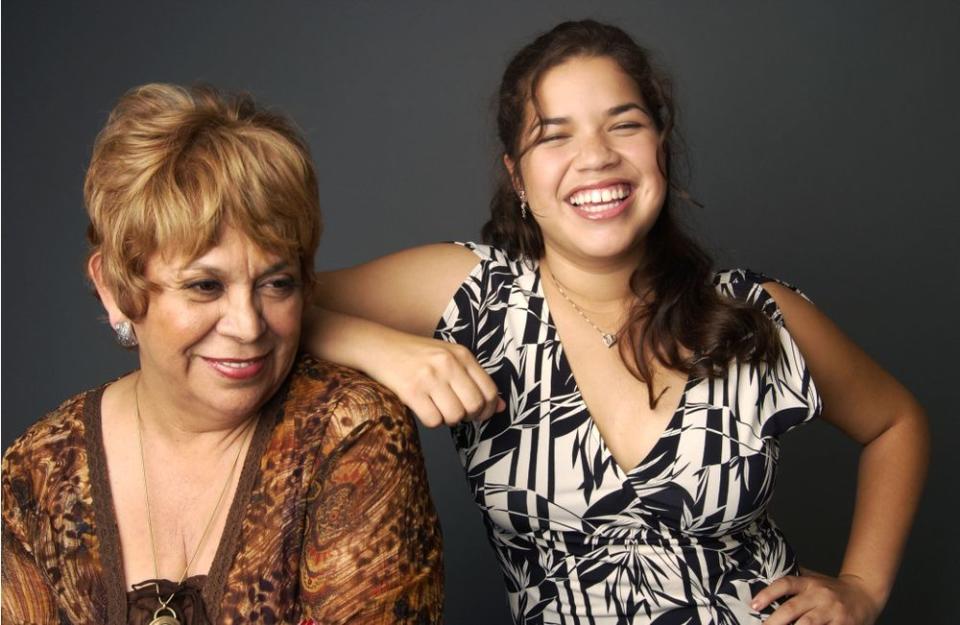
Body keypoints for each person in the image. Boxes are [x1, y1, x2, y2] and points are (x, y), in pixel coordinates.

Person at [308, 20, 928, 625]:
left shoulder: (757, 315)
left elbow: (896, 423)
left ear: (660, 146)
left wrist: (861, 588)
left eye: (624, 125)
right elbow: (262, 305)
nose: (597, 157)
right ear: (516, 174)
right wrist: (383, 349)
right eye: (555, 136)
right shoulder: (473, 294)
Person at [1, 83, 443, 625]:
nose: (248, 325)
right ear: (115, 289)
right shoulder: (38, 468)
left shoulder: (351, 432)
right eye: (205, 286)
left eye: (276, 283)